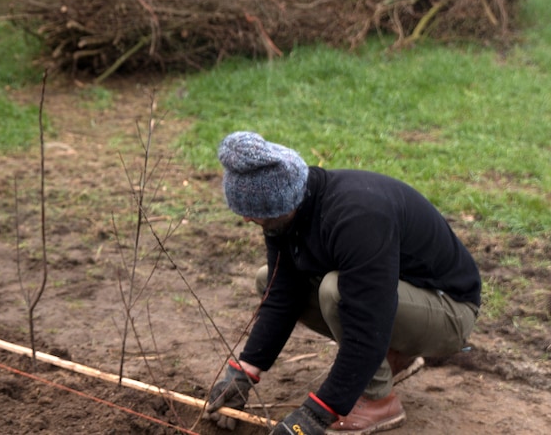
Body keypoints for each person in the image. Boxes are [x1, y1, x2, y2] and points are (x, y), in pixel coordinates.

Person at [203, 131, 481, 435]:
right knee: (266, 277)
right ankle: (390, 358)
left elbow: (367, 320)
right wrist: (244, 372)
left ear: (282, 202)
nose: (247, 220)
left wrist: (319, 413)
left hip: (449, 311)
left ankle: (378, 401)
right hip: (396, 298)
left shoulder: (357, 217)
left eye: (256, 213)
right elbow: (283, 293)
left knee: (336, 291)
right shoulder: (287, 213)